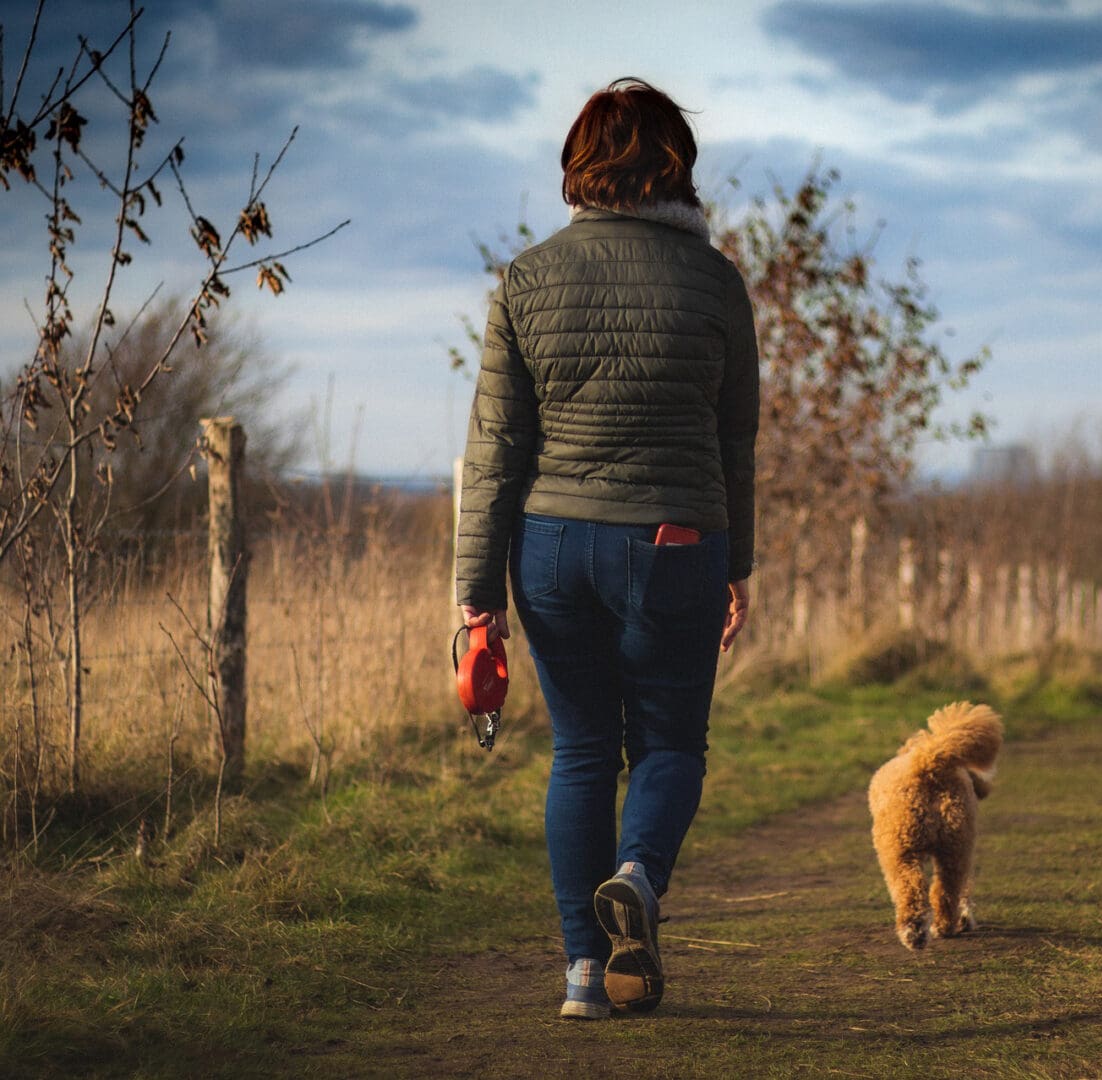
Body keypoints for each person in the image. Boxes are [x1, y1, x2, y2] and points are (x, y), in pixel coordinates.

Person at [454, 77, 758, 1021]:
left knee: (581, 752)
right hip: (673, 542)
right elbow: (734, 437)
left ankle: (585, 974)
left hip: (548, 549)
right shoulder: (715, 282)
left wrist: (476, 591)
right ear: (676, 168)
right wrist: (737, 561)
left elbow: (494, 445)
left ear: (580, 168)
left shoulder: (529, 278)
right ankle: (637, 875)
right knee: (669, 743)